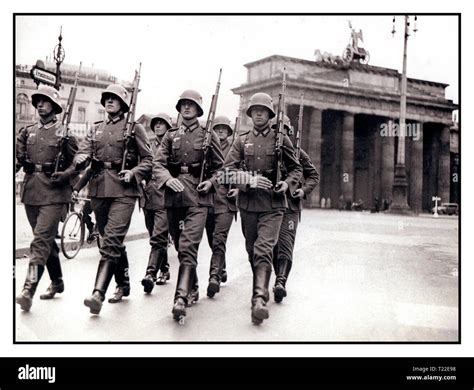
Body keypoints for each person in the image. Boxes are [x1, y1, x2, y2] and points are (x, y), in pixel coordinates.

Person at [74, 84, 153, 315]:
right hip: (99, 189)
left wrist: (134, 173)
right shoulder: (96, 128)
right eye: (107, 98)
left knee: (111, 240)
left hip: (124, 191)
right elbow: (83, 151)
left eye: (114, 98)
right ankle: (123, 282)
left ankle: (98, 293)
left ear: (123, 103)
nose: (110, 101)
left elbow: (149, 160)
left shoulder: (134, 128)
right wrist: (80, 160)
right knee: (108, 240)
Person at [224, 92, 302, 325]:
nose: (258, 113)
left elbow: (297, 170)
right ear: (250, 114)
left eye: (263, 110)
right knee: (252, 251)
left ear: (269, 114)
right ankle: (262, 286)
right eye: (254, 110)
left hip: (274, 205)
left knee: (263, 249)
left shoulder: (281, 140)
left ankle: (258, 300)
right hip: (248, 204)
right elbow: (225, 172)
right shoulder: (241, 140)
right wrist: (248, 179)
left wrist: (286, 184)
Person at [152, 89, 224, 322]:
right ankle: (192, 286)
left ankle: (180, 298)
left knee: (188, 245)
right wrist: (166, 178)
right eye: (183, 104)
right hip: (173, 198)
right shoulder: (170, 136)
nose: (186, 108)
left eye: (191, 104)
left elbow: (222, 168)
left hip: (198, 198)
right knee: (180, 247)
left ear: (199, 109)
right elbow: (158, 164)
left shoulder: (208, 136)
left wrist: (211, 182)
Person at [15, 85, 78, 311]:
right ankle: (58, 281)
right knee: (45, 239)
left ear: (54, 106)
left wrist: (67, 174)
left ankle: (28, 288)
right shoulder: (27, 132)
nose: (39, 104)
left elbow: (79, 162)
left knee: (40, 241)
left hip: (54, 192)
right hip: (31, 192)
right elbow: (17, 160)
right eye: (37, 101)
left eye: (44, 101)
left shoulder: (66, 134)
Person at [270, 115, 320, 303]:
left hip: (290, 206)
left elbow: (314, 175)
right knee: (271, 246)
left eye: (284, 130)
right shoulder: (268, 152)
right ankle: (277, 277)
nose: (280, 133)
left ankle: (281, 281)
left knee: (285, 243)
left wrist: (302, 190)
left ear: (290, 133)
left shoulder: (299, 154)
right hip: (270, 205)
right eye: (276, 129)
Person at [204, 115, 238, 298]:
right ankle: (221, 266)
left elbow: (244, 171)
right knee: (211, 240)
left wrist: (238, 189)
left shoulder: (235, 148)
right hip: (208, 200)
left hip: (226, 201)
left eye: (224, 129)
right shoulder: (207, 148)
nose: (220, 132)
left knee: (219, 238)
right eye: (217, 129)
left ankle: (214, 276)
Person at [140, 113, 173, 294]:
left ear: (169, 127)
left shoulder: (173, 145)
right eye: (156, 124)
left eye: (162, 124)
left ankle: (150, 274)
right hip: (149, 197)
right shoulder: (149, 145)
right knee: (155, 234)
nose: (158, 126)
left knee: (158, 236)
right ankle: (165, 268)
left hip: (165, 197)